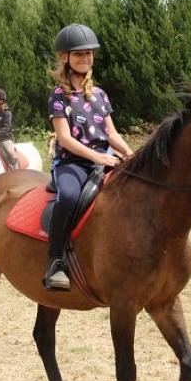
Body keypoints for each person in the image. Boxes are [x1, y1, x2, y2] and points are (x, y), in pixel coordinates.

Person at [44, 23, 134, 291]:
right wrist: (98, 157)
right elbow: (64, 138)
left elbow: (112, 134)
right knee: (69, 197)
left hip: (104, 158)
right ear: (65, 57)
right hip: (72, 162)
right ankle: (55, 262)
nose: (85, 58)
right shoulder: (59, 96)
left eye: (88, 54)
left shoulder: (100, 94)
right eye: (79, 54)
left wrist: (129, 154)